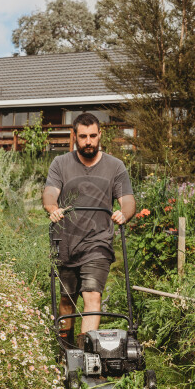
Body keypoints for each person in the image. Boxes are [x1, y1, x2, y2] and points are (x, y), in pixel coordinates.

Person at [42, 112, 136, 350]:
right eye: (83, 136)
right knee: (67, 300)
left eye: (93, 136)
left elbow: (128, 200)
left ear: (100, 135)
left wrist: (123, 213)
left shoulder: (115, 166)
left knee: (92, 295)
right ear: (74, 136)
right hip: (65, 241)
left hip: (98, 242)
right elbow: (50, 193)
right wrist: (53, 208)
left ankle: (85, 356)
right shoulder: (60, 164)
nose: (88, 141)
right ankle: (65, 350)